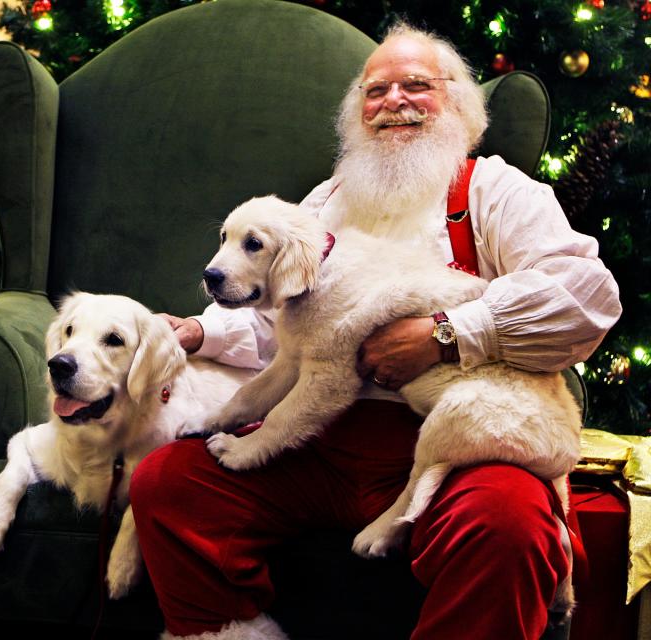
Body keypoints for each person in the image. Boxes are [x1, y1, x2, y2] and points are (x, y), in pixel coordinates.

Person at [132, 23, 622, 640]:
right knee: (168, 485)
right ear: (356, 113)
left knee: (508, 524)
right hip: (320, 442)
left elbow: (586, 299)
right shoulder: (322, 204)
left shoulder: (495, 191)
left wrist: (448, 333)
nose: (393, 102)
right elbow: (284, 332)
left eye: (416, 86)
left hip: (453, 438)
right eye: (375, 90)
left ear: (459, 105)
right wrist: (200, 334)